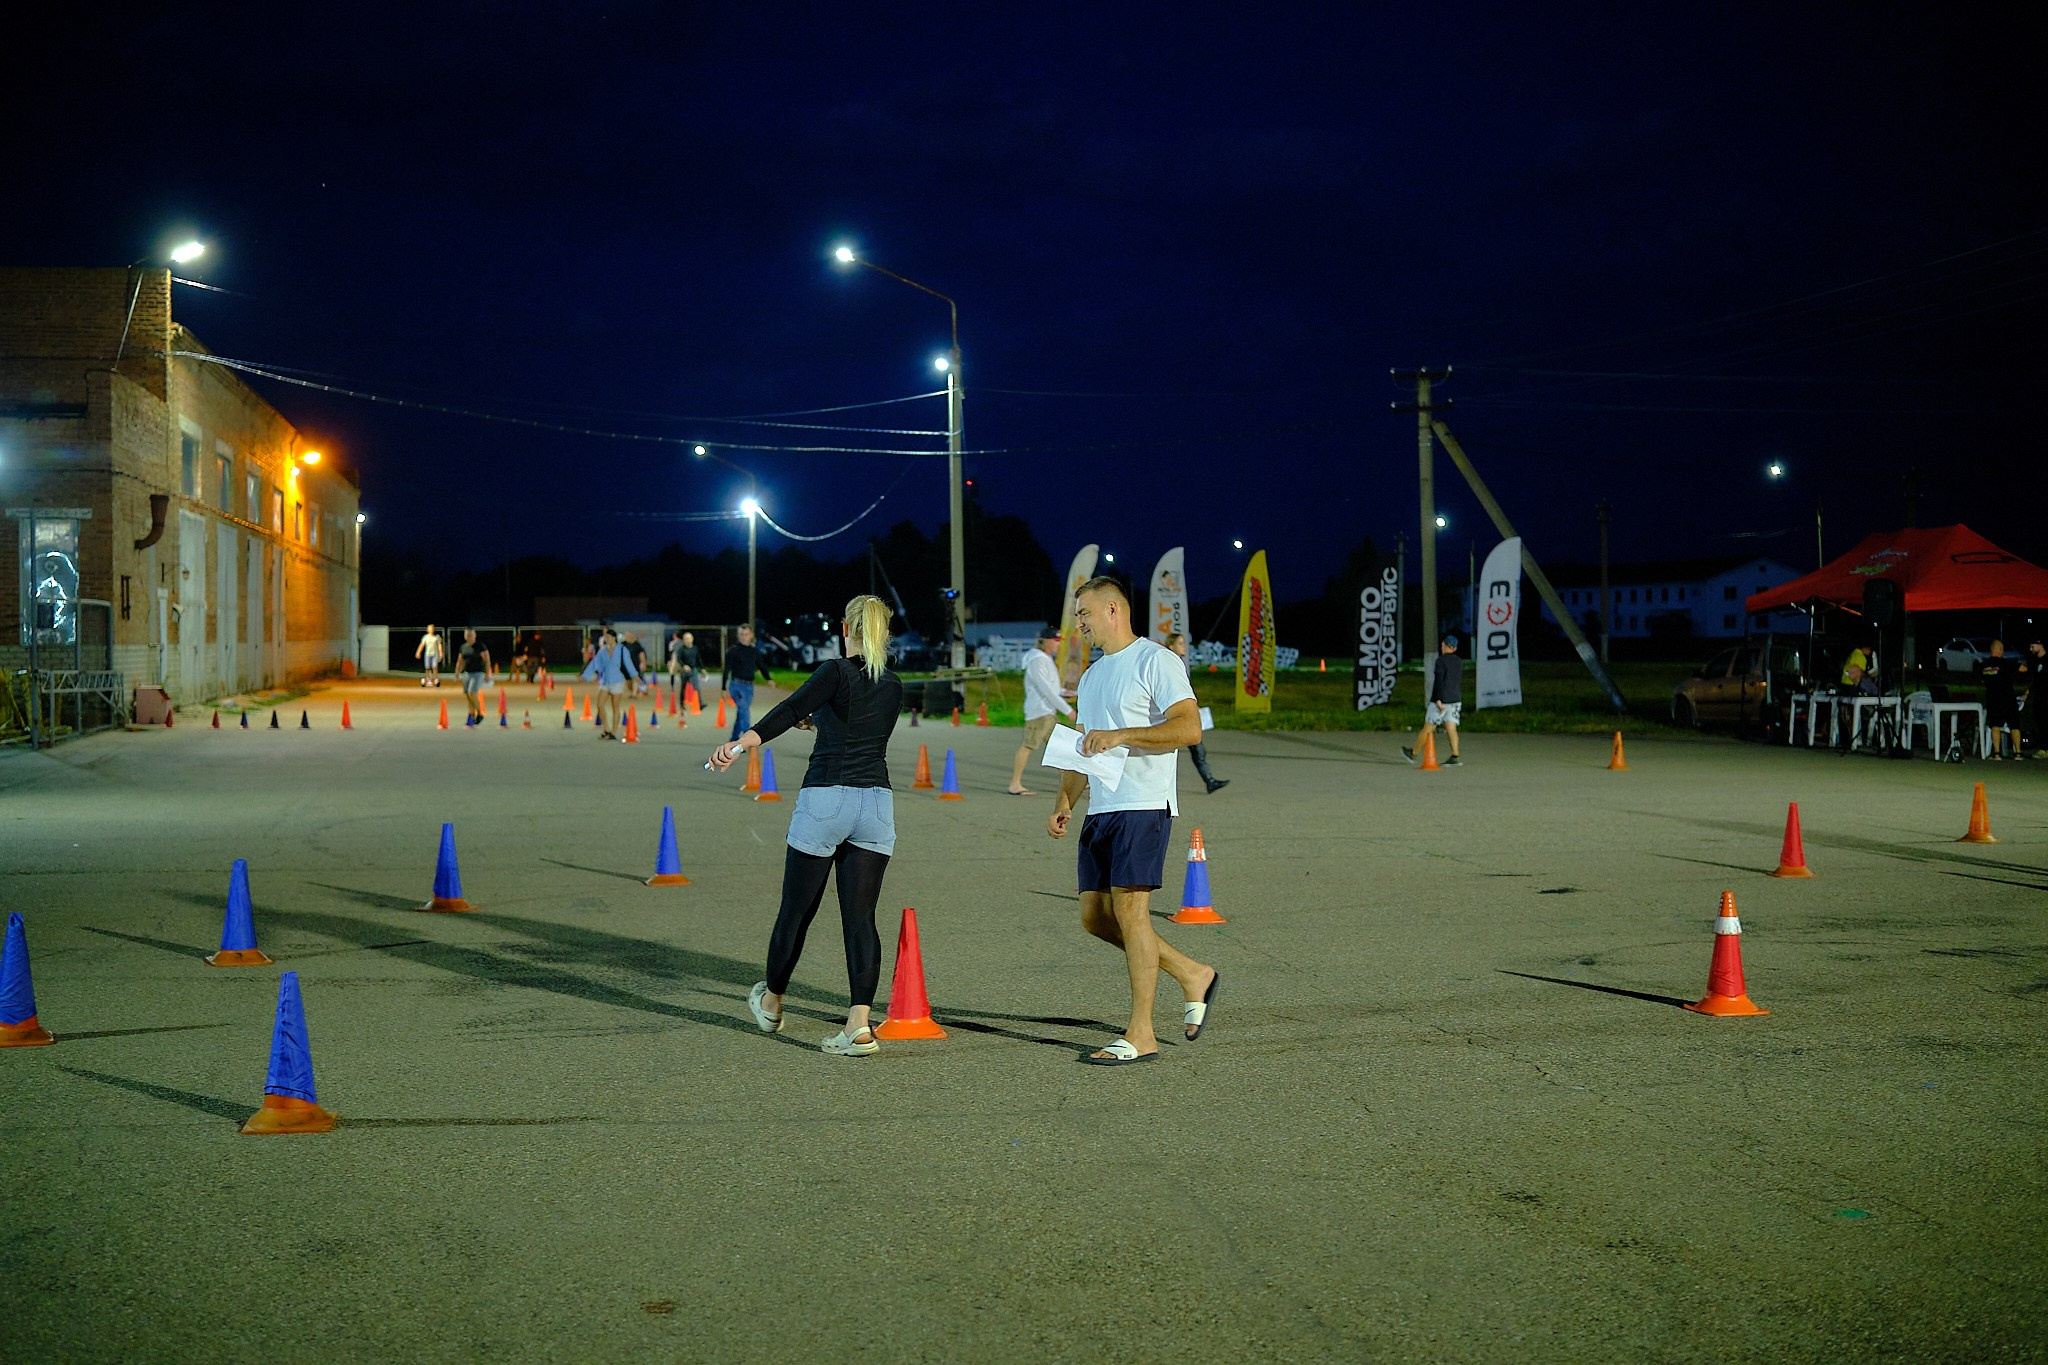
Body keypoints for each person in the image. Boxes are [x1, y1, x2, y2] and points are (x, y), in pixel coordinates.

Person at [710, 595, 904, 1057]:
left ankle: (773, 1002)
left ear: (845, 628)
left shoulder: (833, 671)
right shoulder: (893, 685)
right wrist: (819, 721)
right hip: (876, 803)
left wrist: (742, 743)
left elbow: (787, 708)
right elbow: (861, 728)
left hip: (826, 798)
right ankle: (859, 1026)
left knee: (796, 910)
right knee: (861, 919)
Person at [1046, 577, 1219, 1066]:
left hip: (1143, 803)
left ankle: (1142, 1032)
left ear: (1114, 609)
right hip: (1101, 806)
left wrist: (1122, 734)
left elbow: (1187, 727)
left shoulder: (1156, 660)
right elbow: (1084, 744)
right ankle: (1191, 972)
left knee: (1131, 914)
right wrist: (1064, 799)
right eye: (1077, 615)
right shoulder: (1096, 674)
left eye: (1084, 614)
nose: (1078, 623)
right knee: (1094, 918)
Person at [1009, 628, 1074, 795]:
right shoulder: (1037, 660)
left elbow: (1051, 687)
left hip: (1047, 712)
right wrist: (1067, 710)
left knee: (1057, 746)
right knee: (1028, 746)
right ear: (1044, 641)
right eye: (1054, 640)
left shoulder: (1045, 659)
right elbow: (1045, 689)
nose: (1057, 644)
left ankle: (1070, 781)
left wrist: (1065, 692)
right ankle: (1015, 784)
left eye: (1059, 641)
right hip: (1039, 712)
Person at [1166, 632, 1228, 793]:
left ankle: (1210, 781)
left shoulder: (1177, 663)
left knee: (1197, 749)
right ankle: (1209, 781)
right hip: (1176, 716)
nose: (1184, 646)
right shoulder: (1169, 664)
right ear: (1171, 646)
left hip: (1184, 714)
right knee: (1180, 749)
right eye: (1180, 643)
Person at [1404, 635, 1463, 766]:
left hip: (1442, 700)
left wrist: (1438, 700)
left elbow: (1439, 682)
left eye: (1442, 644)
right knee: (1451, 728)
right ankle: (1455, 755)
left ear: (1445, 645)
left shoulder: (1441, 661)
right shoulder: (1459, 661)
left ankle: (1413, 753)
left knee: (1428, 727)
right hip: (1455, 699)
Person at [579, 629, 639, 740]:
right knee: (600, 704)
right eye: (605, 637)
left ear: (613, 638)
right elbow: (594, 663)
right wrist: (585, 675)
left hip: (617, 681)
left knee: (615, 707)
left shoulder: (622, 650)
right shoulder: (603, 651)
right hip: (605, 681)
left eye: (608, 637)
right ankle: (606, 729)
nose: (606, 639)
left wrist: (635, 675)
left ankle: (614, 732)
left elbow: (628, 663)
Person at [723, 624, 772, 740]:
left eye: (746, 634)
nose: (744, 637)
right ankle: (748, 738)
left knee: (742, 712)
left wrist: (768, 678)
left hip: (749, 687)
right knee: (744, 710)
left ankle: (734, 740)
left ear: (751, 635)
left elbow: (761, 665)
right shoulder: (733, 650)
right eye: (741, 634)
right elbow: (726, 669)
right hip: (736, 686)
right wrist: (723, 688)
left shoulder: (754, 651)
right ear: (738, 635)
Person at [1981, 639, 2021, 760]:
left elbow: (1982, 679)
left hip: (1993, 699)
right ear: (1999, 650)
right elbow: (2023, 668)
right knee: (2014, 725)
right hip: (2008, 698)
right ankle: (2017, 753)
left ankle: (1997, 753)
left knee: (1995, 726)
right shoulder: (2007, 664)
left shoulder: (1984, 665)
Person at [454, 629, 493, 727]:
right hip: (466, 673)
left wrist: (488, 674)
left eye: (471, 635)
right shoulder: (463, 647)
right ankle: (471, 715)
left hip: (478, 673)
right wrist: (457, 673)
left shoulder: (480, 646)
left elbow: (487, 660)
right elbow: (460, 661)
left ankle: (479, 713)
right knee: (467, 694)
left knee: (472, 692)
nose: (469, 636)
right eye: (467, 635)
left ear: (475, 635)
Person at [620, 630, 650, 697]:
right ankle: (639, 691)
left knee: (635, 679)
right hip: (625, 666)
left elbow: (641, 654)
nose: (628, 637)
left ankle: (634, 694)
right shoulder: (622, 644)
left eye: (629, 635)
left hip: (635, 665)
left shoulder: (637, 645)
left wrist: (643, 663)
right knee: (628, 683)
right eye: (627, 635)